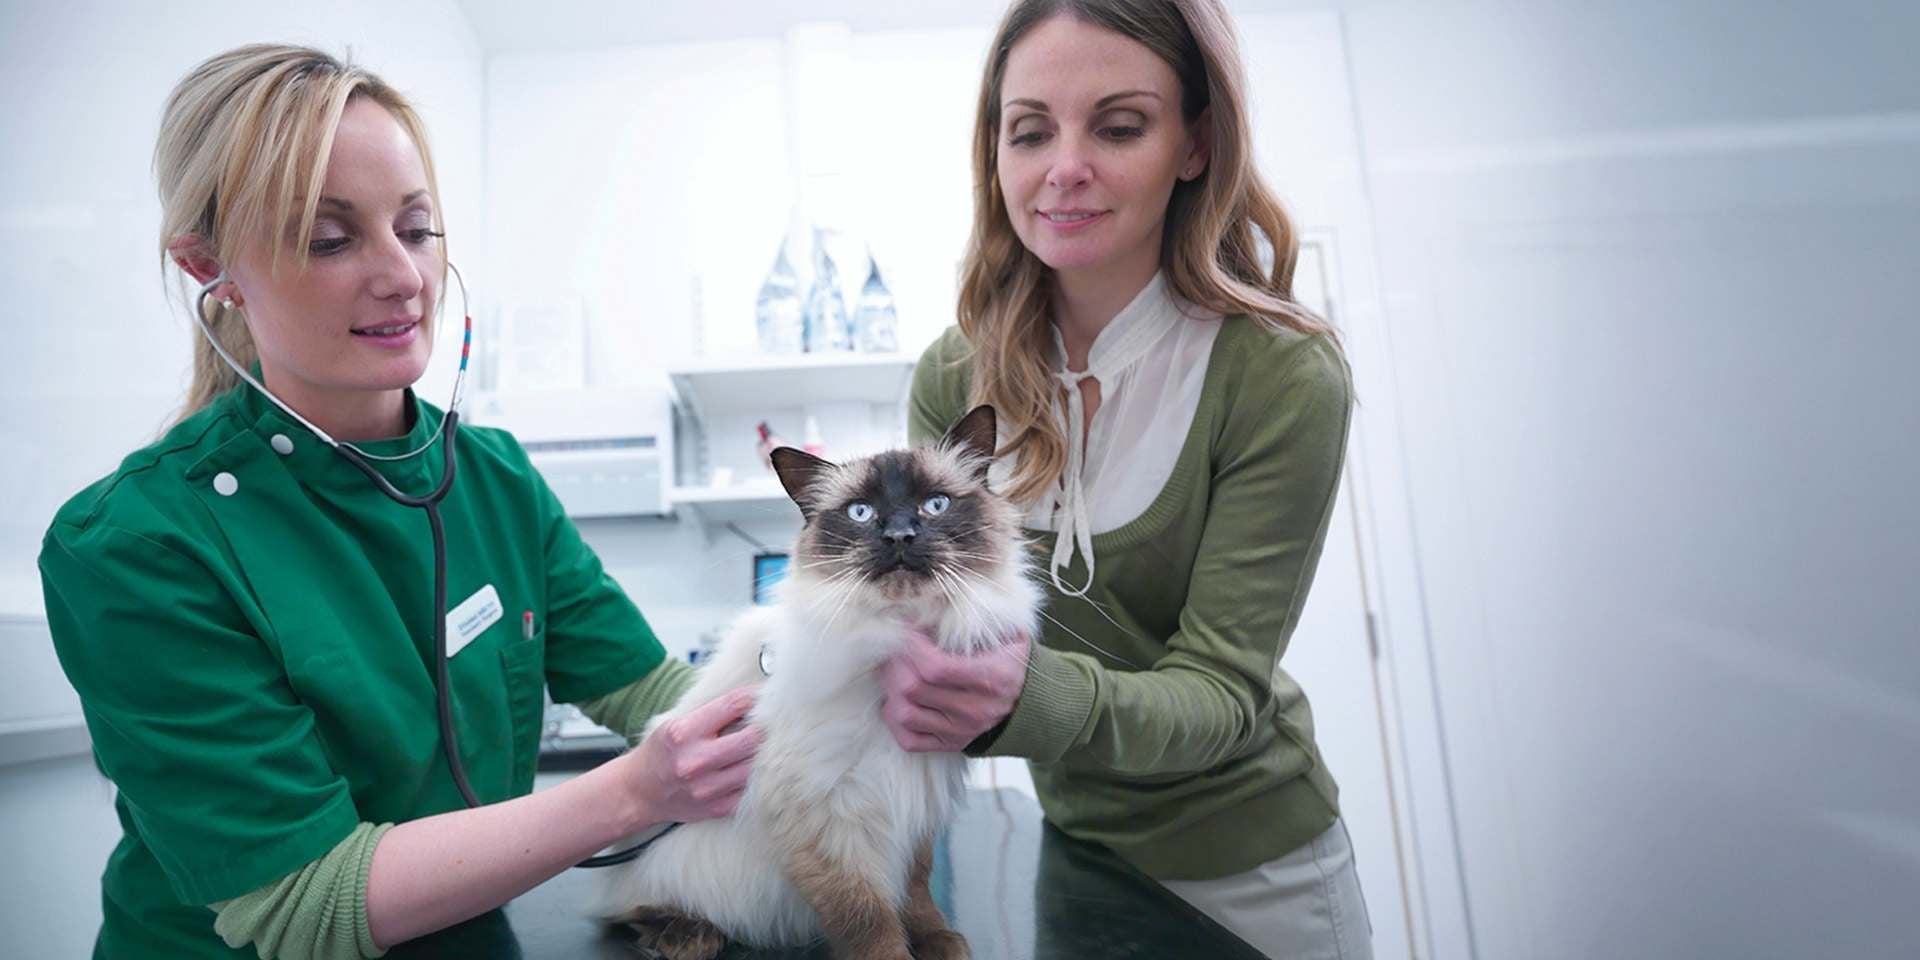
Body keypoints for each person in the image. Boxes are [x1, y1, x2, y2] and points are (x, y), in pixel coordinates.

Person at [38, 44, 758, 959]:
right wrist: (634, 792)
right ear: (208, 266)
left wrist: (822, 687)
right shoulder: (137, 547)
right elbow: (303, 904)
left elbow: (650, 692)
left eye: (416, 229)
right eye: (329, 239)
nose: (403, 277)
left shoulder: (492, 477)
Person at [878, 1, 1371, 956]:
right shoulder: (954, 375)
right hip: (1076, 849)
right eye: (1030, 131)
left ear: (1194, 144)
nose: (1065, 167)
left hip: (1254, 874)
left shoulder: (1276, 374)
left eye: (1118, 125)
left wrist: (1029, 700)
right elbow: (922, 629)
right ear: (996, 155)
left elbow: (1224, 697)